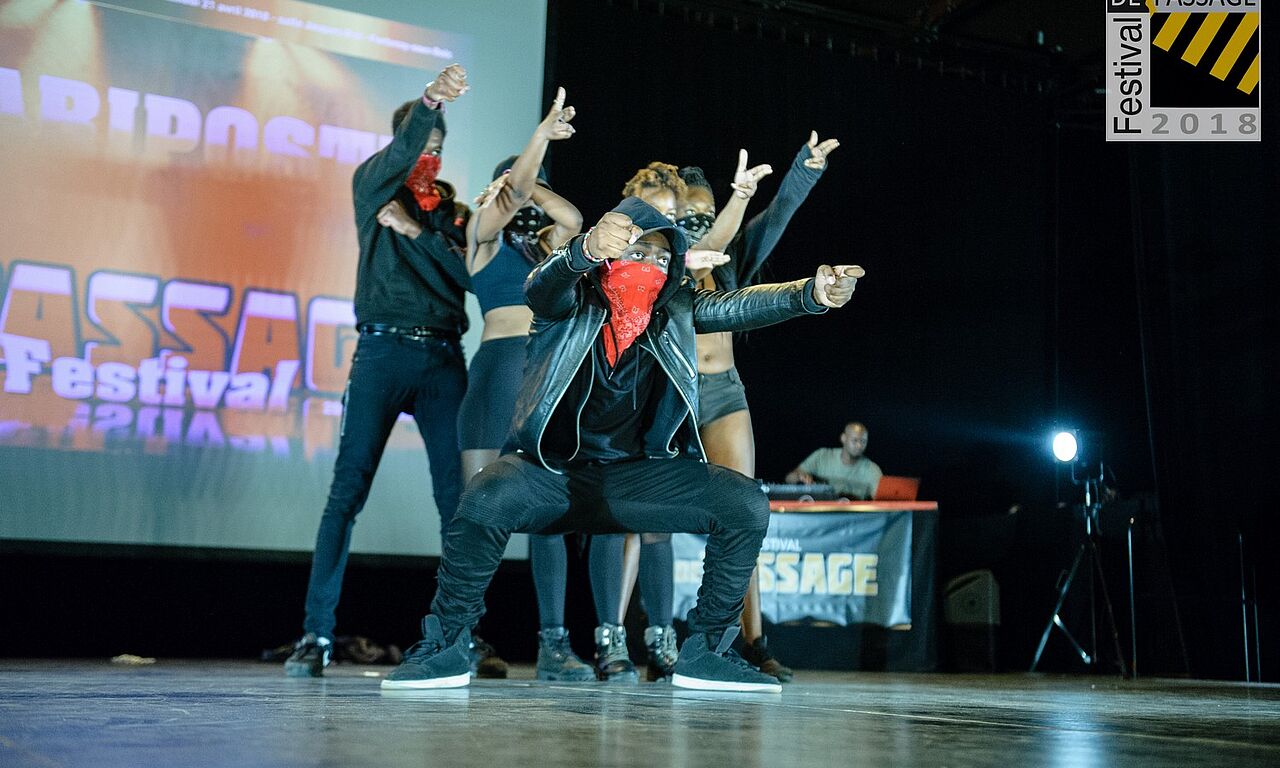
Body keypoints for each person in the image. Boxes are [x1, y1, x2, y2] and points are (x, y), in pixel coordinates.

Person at [379, 197, 866, 693]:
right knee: (486, 494)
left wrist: (811, 294)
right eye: (638, 252)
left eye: (661, 259)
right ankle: (445, 648)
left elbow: (737, 307)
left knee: (744, 503)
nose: (650, 266)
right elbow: (540, 284)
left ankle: (706, 653)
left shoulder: (673, 310)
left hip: (633, 478)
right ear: (608, 257)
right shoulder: (568, 302)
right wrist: (583, 250)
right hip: (553, 472)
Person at [284, 64, 481, 678]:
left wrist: (418, 232)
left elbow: (467, 276)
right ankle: (316, 634)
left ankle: (459, 635)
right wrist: (430, 103)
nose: (429, 155)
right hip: (381, 354)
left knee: (456, 501)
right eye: (422, 144)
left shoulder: (455, 215)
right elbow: (400, 153)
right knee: (347, 492)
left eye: (438, 146)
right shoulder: (373, 189)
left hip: (443, 359)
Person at [680, 133, 840, 682]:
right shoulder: (660, 263)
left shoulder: (728, 262)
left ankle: (750, 641)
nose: (701, 224)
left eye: (708, 214)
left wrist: (805, 169)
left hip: (724, 395)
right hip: (673, 396)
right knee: (647, 523)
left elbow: (775, 218)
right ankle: (653, 640)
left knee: (743, 515)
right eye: (689, 215)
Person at [455, 87, 600, 682]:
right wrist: (517, 179)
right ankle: (459, 634)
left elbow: (574, 220)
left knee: (548, 513)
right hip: (494, 377)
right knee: (479, 511)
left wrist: (530, 179)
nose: (524, 199)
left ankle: (553, 646)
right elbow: (510, 198)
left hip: (542, 378)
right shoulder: (482, 239)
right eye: (517, 188)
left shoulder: (548, 253)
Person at [786, 421, 883, 500]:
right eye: (855, 440)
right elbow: (789, 478)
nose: (859, 446)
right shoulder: (822, 456)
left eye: (863, 441)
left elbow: (882, 499)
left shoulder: (872, 469)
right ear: (843, 438)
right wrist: (800, 477)